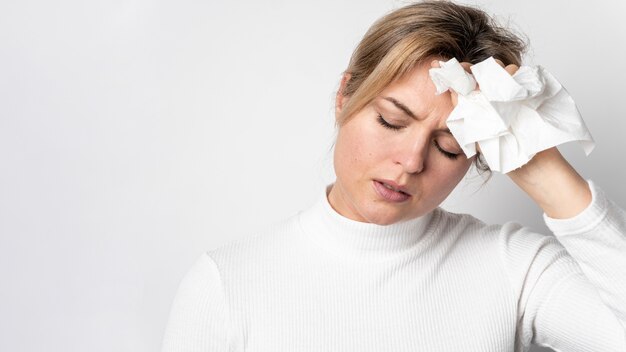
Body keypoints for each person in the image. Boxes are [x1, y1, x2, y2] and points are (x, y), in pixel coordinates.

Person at [161, 1, 626, 351]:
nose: (410, 161)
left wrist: (547, 173)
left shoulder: (516, 268)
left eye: (449, 145)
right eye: (391, 121)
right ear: (346, 96)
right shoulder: (228, 283)